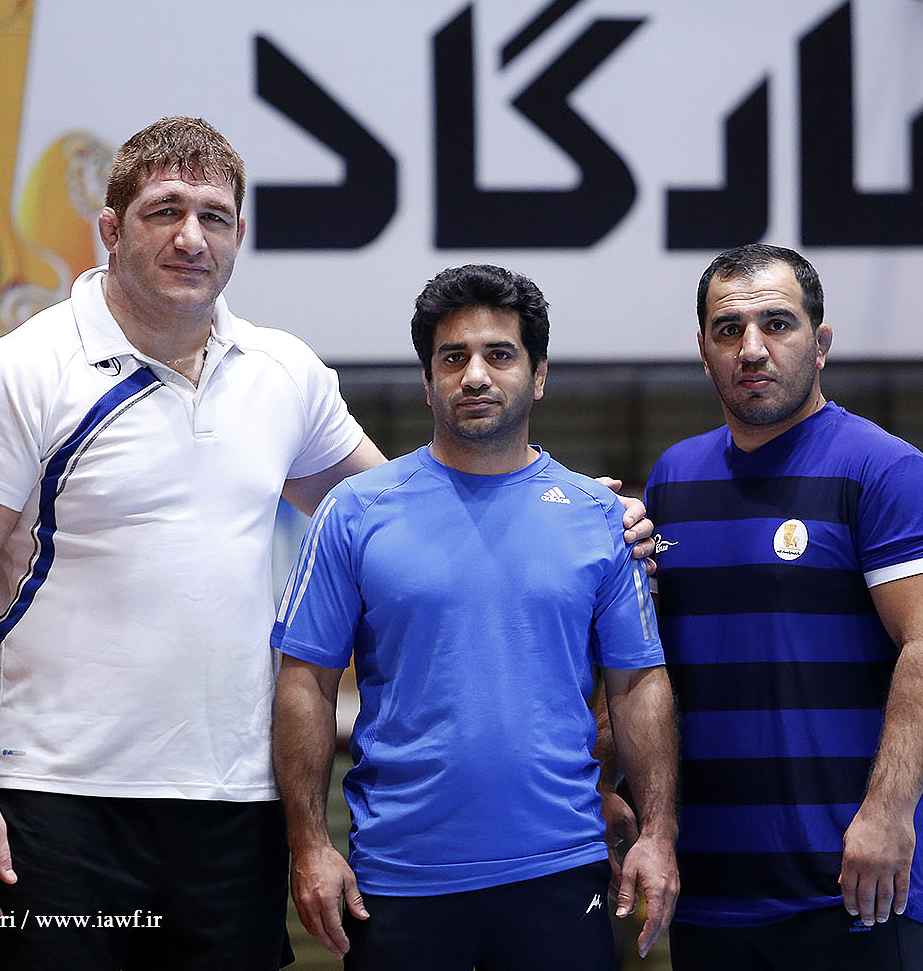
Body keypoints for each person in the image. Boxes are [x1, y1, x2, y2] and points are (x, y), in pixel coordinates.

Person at [0, 117, 654, 970]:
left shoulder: (284, 373)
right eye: (164, 211)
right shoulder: (17, 372)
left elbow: (409, 518)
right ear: (109, 228)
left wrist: (579, 511)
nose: (191, 238)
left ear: (240, 234)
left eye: (214, 217)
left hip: (236, 802)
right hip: (60, 796)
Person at [270, 264, 680, 971]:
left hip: (563, 870)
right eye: (453, 358)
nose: (475, 375)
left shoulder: (598, 518)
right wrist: (308, 845)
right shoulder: (355, 512)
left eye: (500, 354)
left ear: (539, 375)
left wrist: (658, 833)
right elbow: (304, 682)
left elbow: (638, 685)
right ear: (427, 381)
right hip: (399, 877)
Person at [624, 244, 923, 970]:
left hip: (853, 882)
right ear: (704, 350)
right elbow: (648, 666)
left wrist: (887, 814)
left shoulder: (885, 470)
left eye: (777, 324)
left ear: (821, 342)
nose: (752, 348)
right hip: (709, 888)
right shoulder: (674, 478)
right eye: (728, 330)